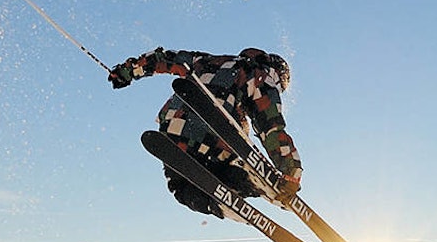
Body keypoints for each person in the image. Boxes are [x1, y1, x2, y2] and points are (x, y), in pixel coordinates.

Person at [108, 47, 302, 220]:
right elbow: (270, 125)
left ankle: (216, 203)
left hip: (174, 130)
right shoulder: (262, 75)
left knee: (181, 187)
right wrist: (290, 170)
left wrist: (130, 70)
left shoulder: (210, 60)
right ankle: (252, 186)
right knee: (233, 175)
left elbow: (166, 58)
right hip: (213, 140)